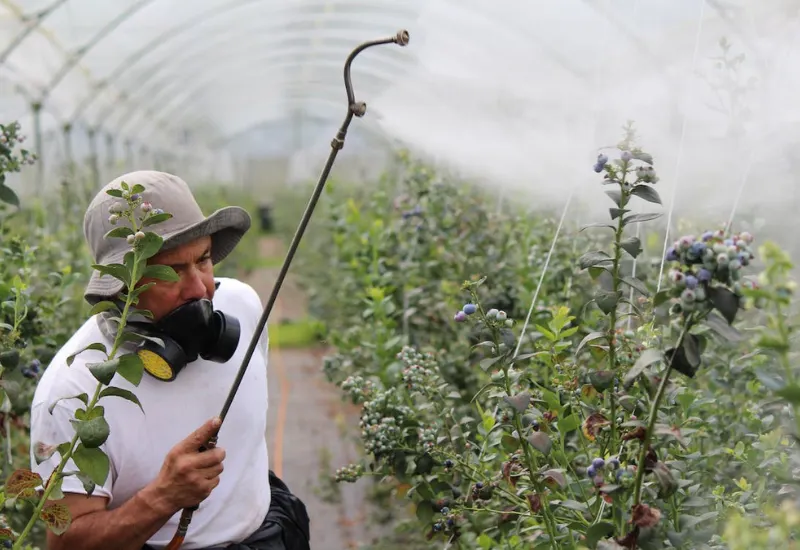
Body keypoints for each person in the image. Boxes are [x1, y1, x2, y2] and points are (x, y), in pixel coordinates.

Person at [28, 171, 310, 550]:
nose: (201, 289)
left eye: (204, 260)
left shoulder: (241, 305)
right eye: (173, 271)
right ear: (122, 284)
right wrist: (162, 497)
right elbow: (66, 543)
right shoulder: (73, 393)